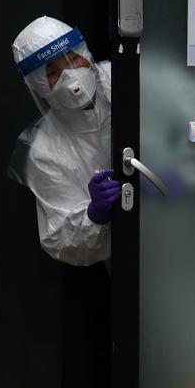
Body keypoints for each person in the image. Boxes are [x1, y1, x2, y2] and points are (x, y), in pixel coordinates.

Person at [9, 16, 120, 266]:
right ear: (38, 85)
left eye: (72, 58)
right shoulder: (45, 150)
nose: (71, 76)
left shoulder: (123, 79)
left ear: (84, 52)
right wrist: (95, 214)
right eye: (53, 72)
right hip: (132, 263)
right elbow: (61, 240)